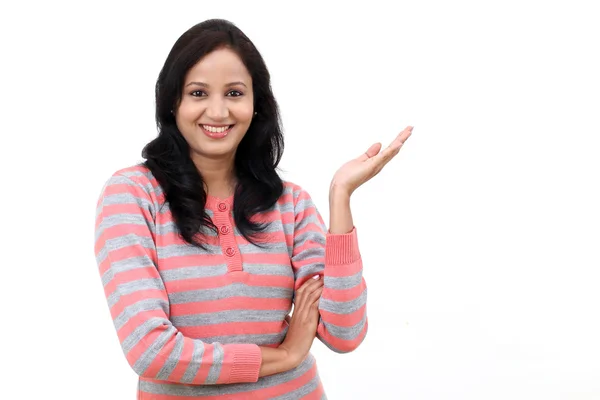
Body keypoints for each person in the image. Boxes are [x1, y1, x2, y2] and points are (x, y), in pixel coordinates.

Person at [94, 18, 412, 399]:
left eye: (233, 93)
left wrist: (340, 197)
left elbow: (344, 333)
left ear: (256, 104)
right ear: (172, 102)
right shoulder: (131, 196)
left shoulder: (289, 204)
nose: (217, 111)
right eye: (198, 93)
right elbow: (152, 351)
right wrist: (284, 356)